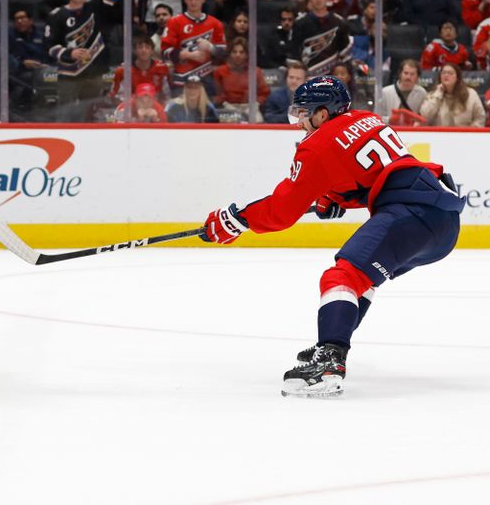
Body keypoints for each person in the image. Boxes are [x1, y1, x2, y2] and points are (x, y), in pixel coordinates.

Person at [199, 75, 465, 397]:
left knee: (341, 276)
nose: (299, 121)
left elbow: (283, 211)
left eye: (303, 112)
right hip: (443, 224)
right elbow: (374, 176)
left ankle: (330, 359)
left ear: (323, 114)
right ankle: (334, 345)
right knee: (362, 279)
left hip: (413, 216)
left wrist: (237, 220)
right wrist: (336, 197)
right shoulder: (367, 119)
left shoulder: (316, 145)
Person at [45, 0, 122, 122]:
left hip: (93, 72)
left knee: (90, 115)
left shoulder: (96, 6)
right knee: (65, 115)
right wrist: (69, 53)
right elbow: (49, 45)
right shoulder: (58, 15)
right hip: (69, 75)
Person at [161, 0, 226, 93]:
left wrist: (211, 47)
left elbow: (224, 54)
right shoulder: (174, 22)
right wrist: (185, 55)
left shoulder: (215, 23)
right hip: (182, 78)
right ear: (185, 0)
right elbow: (165, 52)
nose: (193, 2)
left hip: (206, 77)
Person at [287, 0, 352, 77]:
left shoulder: (340, 22)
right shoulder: (299, 23)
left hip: (332, 78)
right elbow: (294, 53)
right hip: (307, 78)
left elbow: (344, 55)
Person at [212, 37, 269, 121]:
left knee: (258, 121)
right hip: (228, 108)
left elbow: (264, 93)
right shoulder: (220, 71)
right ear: (230, 54)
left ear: (247, 54)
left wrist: (256, 103)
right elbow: (216, 94)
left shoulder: (256, 71)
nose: (238, 55)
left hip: (249, 107)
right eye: (234, 52)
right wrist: (224, 103)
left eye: (241, 52)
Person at [420, 61, 486, 126]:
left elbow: (480, 117)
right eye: (443, 73)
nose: (446, 75)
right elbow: (424, 115)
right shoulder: (433, 95)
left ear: (457, 78)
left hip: (465, 135)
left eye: (450, 73)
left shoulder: (471, 94)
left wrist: (469, 132)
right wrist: (438, 94)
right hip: (440, 135)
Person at [109, 35, 171, 101]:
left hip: (156, 107)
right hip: (132, 107)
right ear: (135, 51)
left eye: (147, 47)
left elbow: (167, 96)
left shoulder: (162, 68)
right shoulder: (123, 71)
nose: (144, 50)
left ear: (152, 51)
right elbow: (116, 96)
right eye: (140, 47)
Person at [376, 58, 428, 125]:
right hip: (390, 130)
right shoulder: (385, 92)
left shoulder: (422, 93)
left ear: (417, 77)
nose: (408, 77)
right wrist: (389, 120)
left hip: (413, 132)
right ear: (400, 74)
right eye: (405, 73)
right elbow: (376, 117)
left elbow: (424, 118)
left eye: (412, 74)